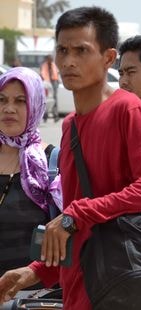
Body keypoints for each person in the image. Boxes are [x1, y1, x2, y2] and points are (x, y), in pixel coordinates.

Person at [0, 7, 141, 309]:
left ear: (108, 58)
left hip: (121, 291)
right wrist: (34, 271)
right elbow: (78, 230)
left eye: (82, 51)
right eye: (62, 50)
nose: (68, 61)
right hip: (77, 292)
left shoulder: (128, 110)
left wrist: (78, 213)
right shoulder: (69, 127)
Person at [0, 67, 62, 284]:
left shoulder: (52, 162)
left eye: (20, 101)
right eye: (2, 100)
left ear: (35, 105)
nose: (9, 109)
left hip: (33, 293)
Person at [39, 55, 59, 122]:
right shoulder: (44, 65)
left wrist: (57, 81)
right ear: (47, 59)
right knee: (46, 100)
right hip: (47, 83)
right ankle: (45, 115)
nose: (51, 60)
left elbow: (56, 73)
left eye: (51, 59)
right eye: (49, 59)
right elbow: (42, 74)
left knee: (54, 99)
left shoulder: (54, 65)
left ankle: (55, 115)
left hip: (54, 82)